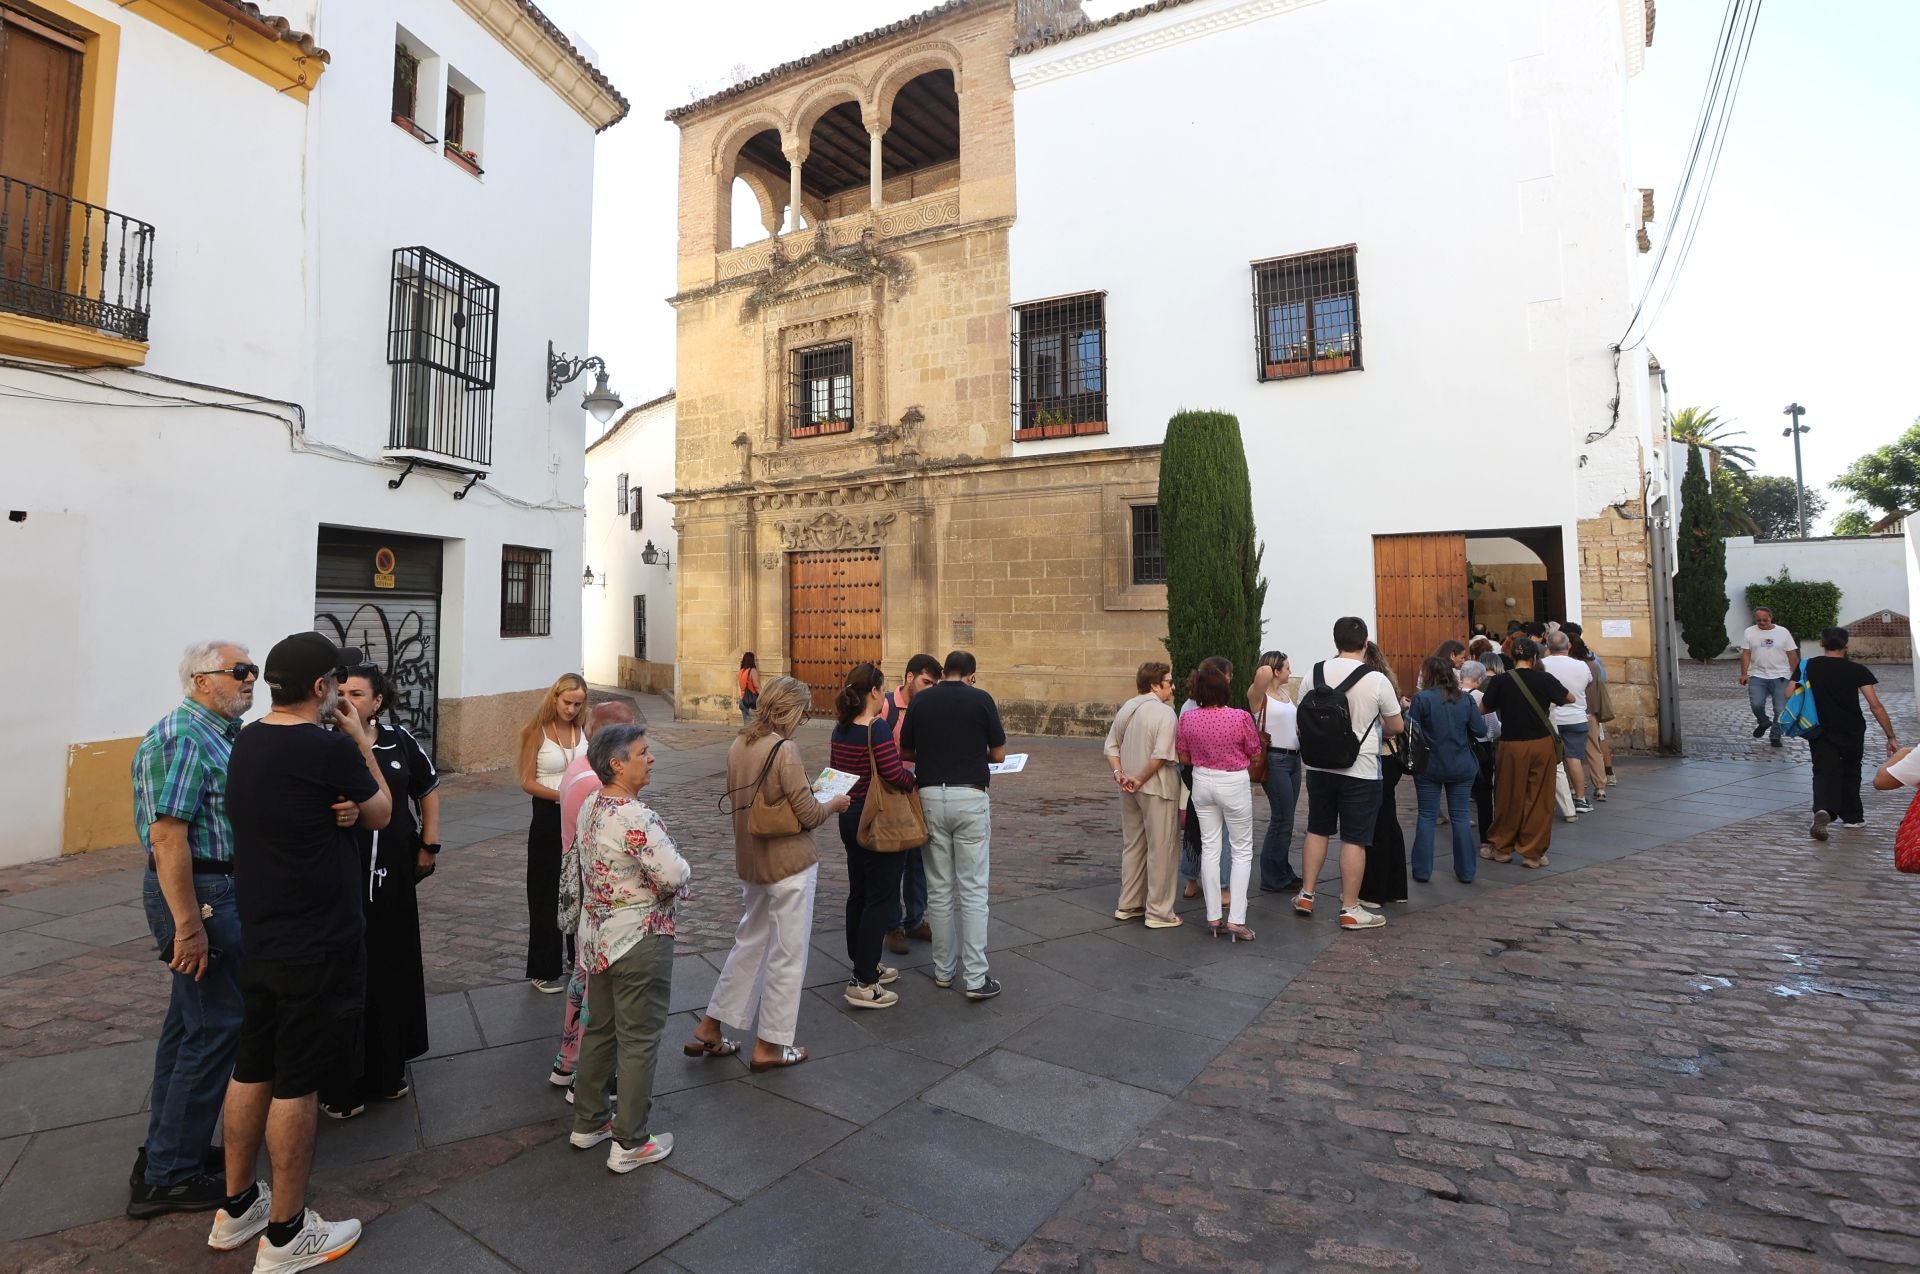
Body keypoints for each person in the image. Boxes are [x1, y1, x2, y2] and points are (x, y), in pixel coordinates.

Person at [212, 632, 390, 1265]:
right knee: (297, 1082)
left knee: (251, 1063)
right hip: (316, 939)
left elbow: (297, 810)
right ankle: (286, 1234)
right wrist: (360, 744)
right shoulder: (325, 747)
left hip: (262, 929)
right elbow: (382, 813)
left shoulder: (247, 741)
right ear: (321, 689)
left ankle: (237, 1208)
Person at [129, 641, 255, 1219]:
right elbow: (167, 838)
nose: (251, 680)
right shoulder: (184, 736)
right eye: (240, 672)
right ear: (203, 681)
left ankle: (169, 1149)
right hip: (202, 896)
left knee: (189, 1025)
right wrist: (188, 928)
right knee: (215, 1027)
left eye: (252, 671)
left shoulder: (214, 734)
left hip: (211, 891)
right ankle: (169, 1175)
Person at [692, 677, 846, 1061]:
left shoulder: (739, 744)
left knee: (750, 943)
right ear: (791, 709)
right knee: (787, 954)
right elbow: (809, 814)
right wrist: (835, 803)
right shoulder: (784, 749)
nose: (803, 720)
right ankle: (771, 1044)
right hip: (789, 863)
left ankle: (711, 1024)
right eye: (803, 712)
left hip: (751, 860)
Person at [563, 723, 687, 1173]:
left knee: (600, 1029)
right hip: (639, 938)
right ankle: (631, 1140)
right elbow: (674, 874)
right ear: (617, 763)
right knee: (638, 1039)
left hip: (597, 937)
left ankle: (589, 1121)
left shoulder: (593, 804)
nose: (650, 758)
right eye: (642, 752)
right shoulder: (636, 816)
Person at [319, 666, 439, 1121]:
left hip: (392, 882)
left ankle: (388, 1071)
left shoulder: (398, 741)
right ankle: (340, 1082)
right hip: (341, 884)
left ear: (377, 702)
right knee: (346, 978)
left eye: (357, 693)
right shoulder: (326, 744)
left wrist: (429, 844)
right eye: (340, 692)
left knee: (392, 972)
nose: (346, 699)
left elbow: (427, 789)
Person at [898, 650, 1006, 1000]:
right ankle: (975, 978)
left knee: (939, 889)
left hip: (930, 795)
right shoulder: (981, 699)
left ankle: (943, 970)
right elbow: (999, 754)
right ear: (971, 675)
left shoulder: (923, 701)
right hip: (970, 796)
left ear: (944, 672)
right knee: (973, 889)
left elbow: (907, 749)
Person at [550, 700, 637, 1099]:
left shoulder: (580, 766)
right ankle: (589, 1074)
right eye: (633, 736)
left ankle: (567, 1063)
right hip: (599, 895)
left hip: (589, 890)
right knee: (599, 992)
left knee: (583, 981)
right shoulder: (593, 782)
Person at [1295, 617, 1403, 931]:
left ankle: (1306, 894)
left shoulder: (1314, 674)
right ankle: (1350, 907)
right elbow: (1396, 726)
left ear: (1335, 641)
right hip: (1361, 768)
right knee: (1355, 838)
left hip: (1318, 766)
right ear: (1366, 643)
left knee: (1317, 829)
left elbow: (1304, 717)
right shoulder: (1377, 680)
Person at [829, 663, 914, 1007]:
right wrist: (914, 781)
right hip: (877, 820)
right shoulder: (875, 729)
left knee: (859, 894)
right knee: (881, 897)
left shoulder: (841, 728)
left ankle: (864, 962)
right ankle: (863, 982)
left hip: (849, 816)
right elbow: (893, 773)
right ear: (875, 692)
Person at [1176, 662, 1262, 941]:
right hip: (1233, 781)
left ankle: (1213, 917)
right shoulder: (1239, 717)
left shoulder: (1188, 719)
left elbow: (1184, 757)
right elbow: (1255, 751)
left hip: (1202, 782)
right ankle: (1237, 918)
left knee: (1210, 847)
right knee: (1241, 850)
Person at [1790, 626, 1898, 840]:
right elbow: (1874, 704)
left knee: (1823, 771)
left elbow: (1789, 692)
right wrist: (1890, 736)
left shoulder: (1808, 666)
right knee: (1851, 771)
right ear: (1846, 645)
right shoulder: (1857, 670)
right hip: (1852, 729)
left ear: (1822, 643)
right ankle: (1852, 817)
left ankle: (1823, 809)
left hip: (1819, 728)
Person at [517, 674, 589, 993]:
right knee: (545, 890)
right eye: (567, 702)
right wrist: (564, 795)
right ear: (555, 698)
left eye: (578, 704)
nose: (572, 709)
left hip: (581, 818)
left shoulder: (582, 730)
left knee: (580, 887)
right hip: (548, 816)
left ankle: (577, 957)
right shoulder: (537, 732)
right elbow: (527, 781)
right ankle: (543, 968)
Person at [1478, 636, 1573, 868]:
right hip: (1541, 743)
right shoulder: (1544, 678)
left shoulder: (1501, 681)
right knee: (1539, 797)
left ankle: (1502, 847)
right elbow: (1568, 698)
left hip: (1511, 744)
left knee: (1508, 795)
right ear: (1534, 657)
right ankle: (1533, 852)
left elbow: (1482, 708)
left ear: (1512, 657)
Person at [1106, 661, 1182, 927]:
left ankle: (1129, 904)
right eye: (1168, 682)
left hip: (1129, 788)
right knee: (1162, 848)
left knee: (1134, 845)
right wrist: (1137, 778)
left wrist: (1121, 776)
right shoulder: (1165, 713)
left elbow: (1111, 748)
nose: (1172, 686)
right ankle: (1159, 912)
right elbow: (1161, 755)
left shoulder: (1128, 707)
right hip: (1157, 788)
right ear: (1154, 684)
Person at [881, 653, 942, 955]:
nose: (930, 688)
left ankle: (915, 919)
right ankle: (892, 925)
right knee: (895, 862)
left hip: (919, 793)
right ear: (909, 677)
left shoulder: (930, 708)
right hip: (893, 794)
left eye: (934, 683)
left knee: (919, 860)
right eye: (926, 681)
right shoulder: (887, 707)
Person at [1408, 656, 1488, 884]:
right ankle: (1466, 871)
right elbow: (1480, 730)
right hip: (1461, 763)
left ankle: (1422, 871)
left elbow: (1411, 731)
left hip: (1429, 765)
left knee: (1426, 816)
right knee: (1461, 817)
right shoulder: (1465, 700)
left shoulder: (1422, 699)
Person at [1178, 655, 1235, 903]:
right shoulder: (1222, 710)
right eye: (1229, 676)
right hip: (1218, 771)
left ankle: (1191, 880)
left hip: (1192, 772)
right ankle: (1222, 886)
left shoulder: (1187, 707)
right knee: (1220, 831)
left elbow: (1181, 746)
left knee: (1194, 826)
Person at [1248, 651, 1305, 893]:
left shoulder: (1284, 694)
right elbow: (1260, 675)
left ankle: (1283, 870)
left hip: (1293, 760)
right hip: (1275, 760)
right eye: (1287, 668)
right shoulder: (1258, 697)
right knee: (1281, 818)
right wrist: (1269, 666)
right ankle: (1271, 876)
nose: (1290, 672)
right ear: (1275, 671)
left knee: (1287, 819)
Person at [1359, 642, 1409, 907]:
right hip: (1389, 760)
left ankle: (1375, 891)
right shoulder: (1387, 682)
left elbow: (1393, 726)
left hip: (1376, 757)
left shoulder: (1370, 684)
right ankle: (1397, 887)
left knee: (1377, 823)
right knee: (1389, 819)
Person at [1540, 632, 1595, 813]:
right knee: (1574, 758)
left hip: (1550, 718)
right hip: (1576, 716)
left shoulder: (1541, 665)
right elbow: (1588, 683)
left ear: (1548, 645)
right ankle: (1579, 798)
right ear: (1569, 645)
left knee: (1549, 761)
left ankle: (1548, 799)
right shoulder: (1581, 665)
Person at [1739, 607, 1798, 749]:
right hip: (1757, 675)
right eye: (1759, 620)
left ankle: (1775, 736)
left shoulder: (1783, 632)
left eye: (1765, 619)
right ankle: (1764, 721)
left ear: (1771, 617)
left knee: (1780, 709)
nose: (1762, 622)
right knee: (1756, 704)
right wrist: (1744, 673)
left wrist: (1796, 678)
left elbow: (1792, 655)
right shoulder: (1749, 632)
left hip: (1781, 675)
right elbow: (1745, 654)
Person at [737, 652, 761, 727]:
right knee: (755, 725)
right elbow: (757, 687)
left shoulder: (741, 671)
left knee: (747, 725)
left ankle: (746, 738)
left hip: (742, 701)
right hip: (751, 702)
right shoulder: (752, 671)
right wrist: (764, 696)